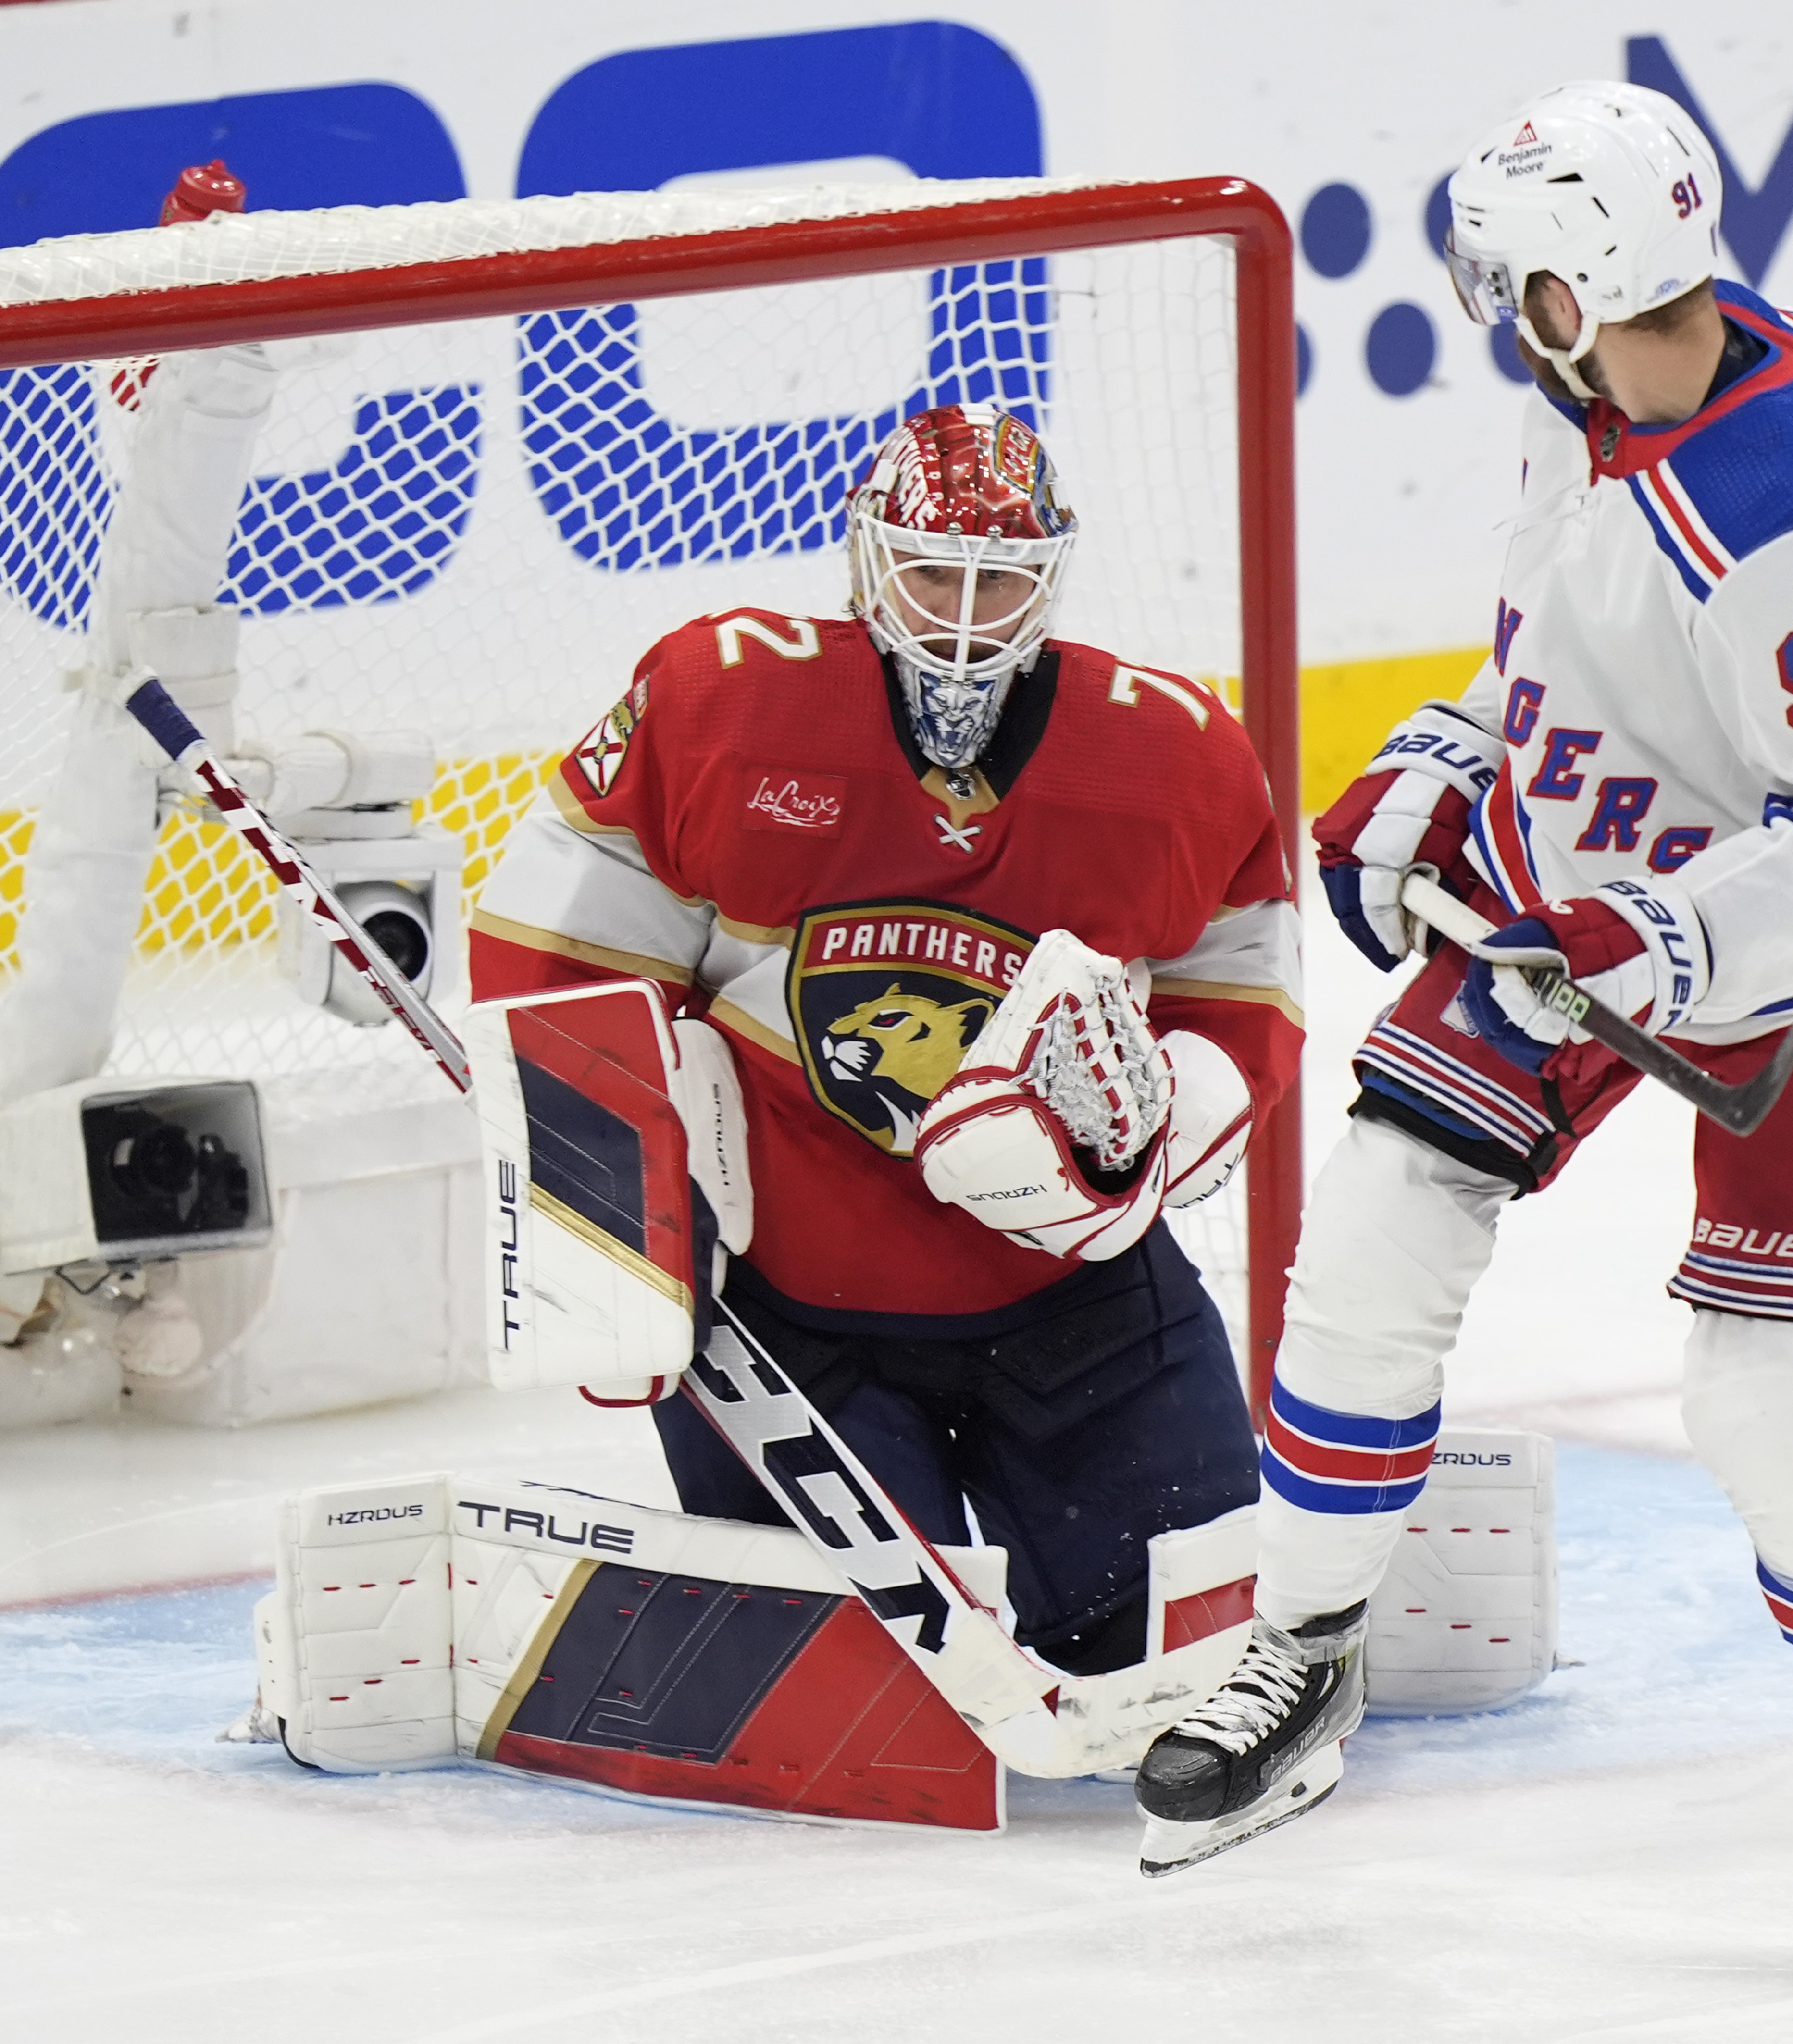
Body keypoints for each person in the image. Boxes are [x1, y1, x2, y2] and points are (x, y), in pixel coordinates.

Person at [1135, 83, 1793, 1976]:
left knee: (1768, 1391)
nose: (1493, 313)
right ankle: (1299, 1644)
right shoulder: (1607, 387)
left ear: (1588, 274)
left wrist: (1653, 937)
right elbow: (1575, 648)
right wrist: (1450, 762)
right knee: (1371, 1226)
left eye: (1517, 278)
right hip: (1604, 889)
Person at [468, 403, 1298, 1682]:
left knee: (1173, 1660)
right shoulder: (725, 704)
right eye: (929, 568)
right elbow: (556, 953)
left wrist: (1150, 1135)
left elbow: (1243, 986)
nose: (964, 607)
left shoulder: (1166, 759)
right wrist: (612, 1243)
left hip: (1071, 1303)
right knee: (867, 1695)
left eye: (1002, 578)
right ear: (865, 558)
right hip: (788, 1320)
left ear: (1052, 577)